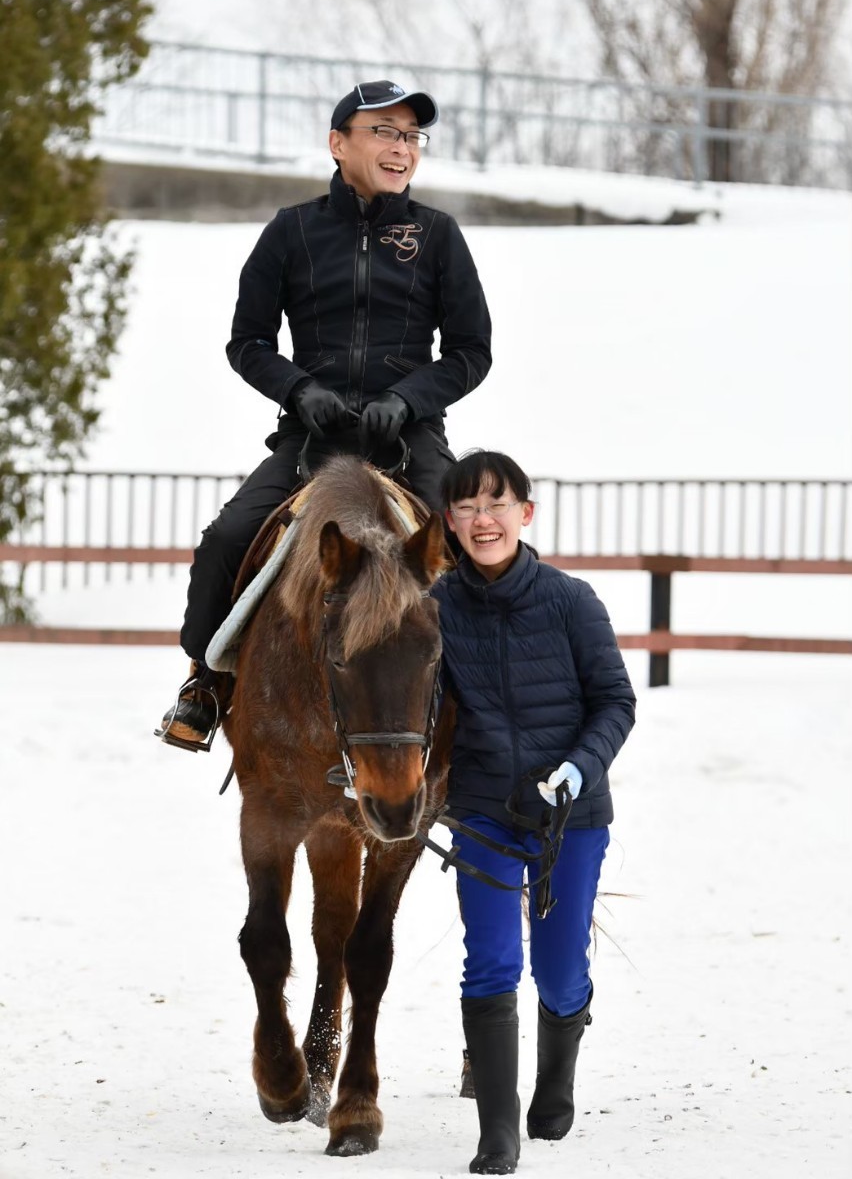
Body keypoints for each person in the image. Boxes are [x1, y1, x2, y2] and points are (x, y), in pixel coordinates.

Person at [156, 80, 492, 751]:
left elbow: (470, 352)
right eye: (384, 132)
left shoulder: (438, 236)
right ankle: (204, 681)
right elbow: (247, 342)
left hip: (409, 437)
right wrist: (298, 390)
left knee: (467, 545)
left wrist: (408, 401)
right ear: (339, 144)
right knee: (227, 539)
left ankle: (487, 700)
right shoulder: (290, 232)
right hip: (312, 439)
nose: (401, 148)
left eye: (411, 136)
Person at [431, 450, 636, 1175]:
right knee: (490, 958)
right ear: (450, 523)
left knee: (558, 971)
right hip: (484, 810)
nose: (482, 520)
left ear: (526, 512)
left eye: (496, 504)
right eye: (466, 508)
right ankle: (497, 1135)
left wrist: (578, 770)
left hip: (568, 817)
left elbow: (617, 702)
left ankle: (557, 1076)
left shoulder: (572, 600)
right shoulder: (435, 606)